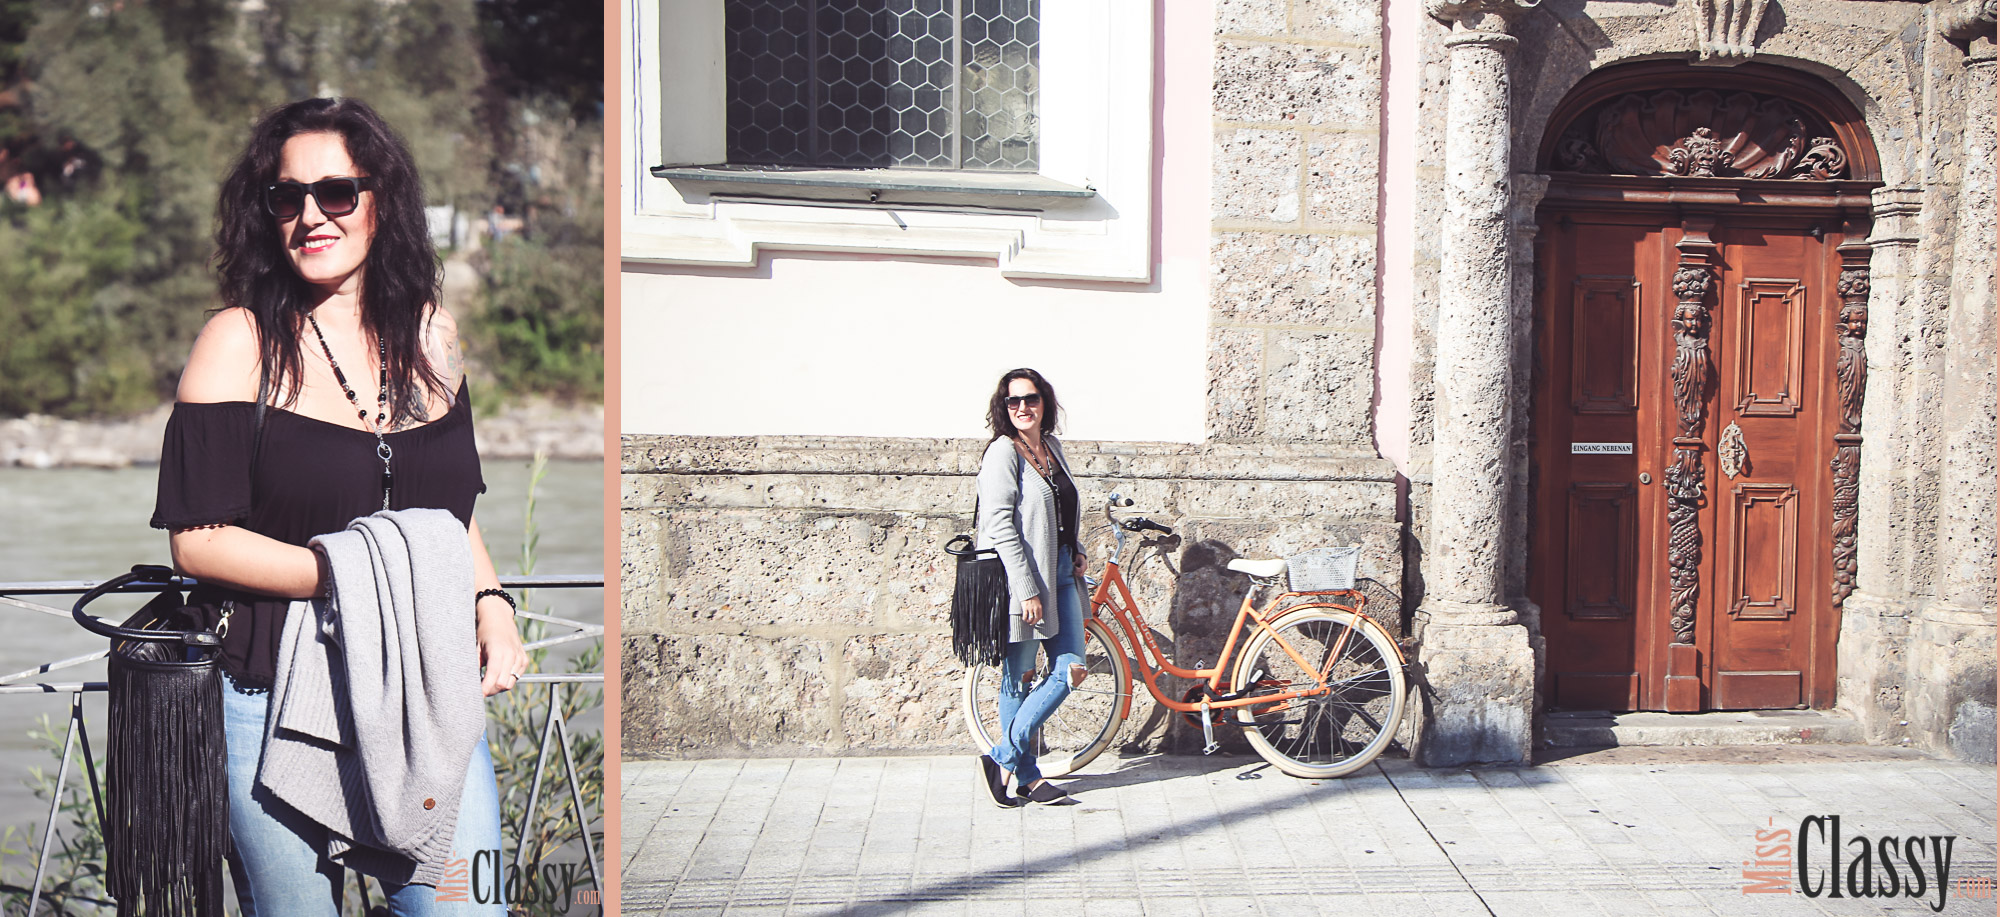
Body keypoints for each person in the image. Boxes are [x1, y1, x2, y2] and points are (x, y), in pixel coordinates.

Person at [149, 97, 527, 914]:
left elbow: (448, 511)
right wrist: (353, 572)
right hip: (265, 700)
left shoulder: (436, 337)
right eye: (288, 198)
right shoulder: (237, 341)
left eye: (337, 193)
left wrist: (490, 602)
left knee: (477, 904)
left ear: (381, 199)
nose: (312, 216)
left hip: (427, 697)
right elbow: (198, 542)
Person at [975, 367, 1088, 807]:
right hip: (1020, 577)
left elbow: (1063, 506)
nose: (1023, 407)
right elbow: (999, 524)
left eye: (1032, 398)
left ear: (1045, 403)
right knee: (1018, 678)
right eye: (1013, 401)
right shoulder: (1003, 453)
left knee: (1072, 667)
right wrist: (1025, 588)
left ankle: (1001, 757)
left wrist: (1076, 547)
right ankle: (1027, 778)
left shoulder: (1052, 448)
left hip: (1061, 572)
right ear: (1003, 408)